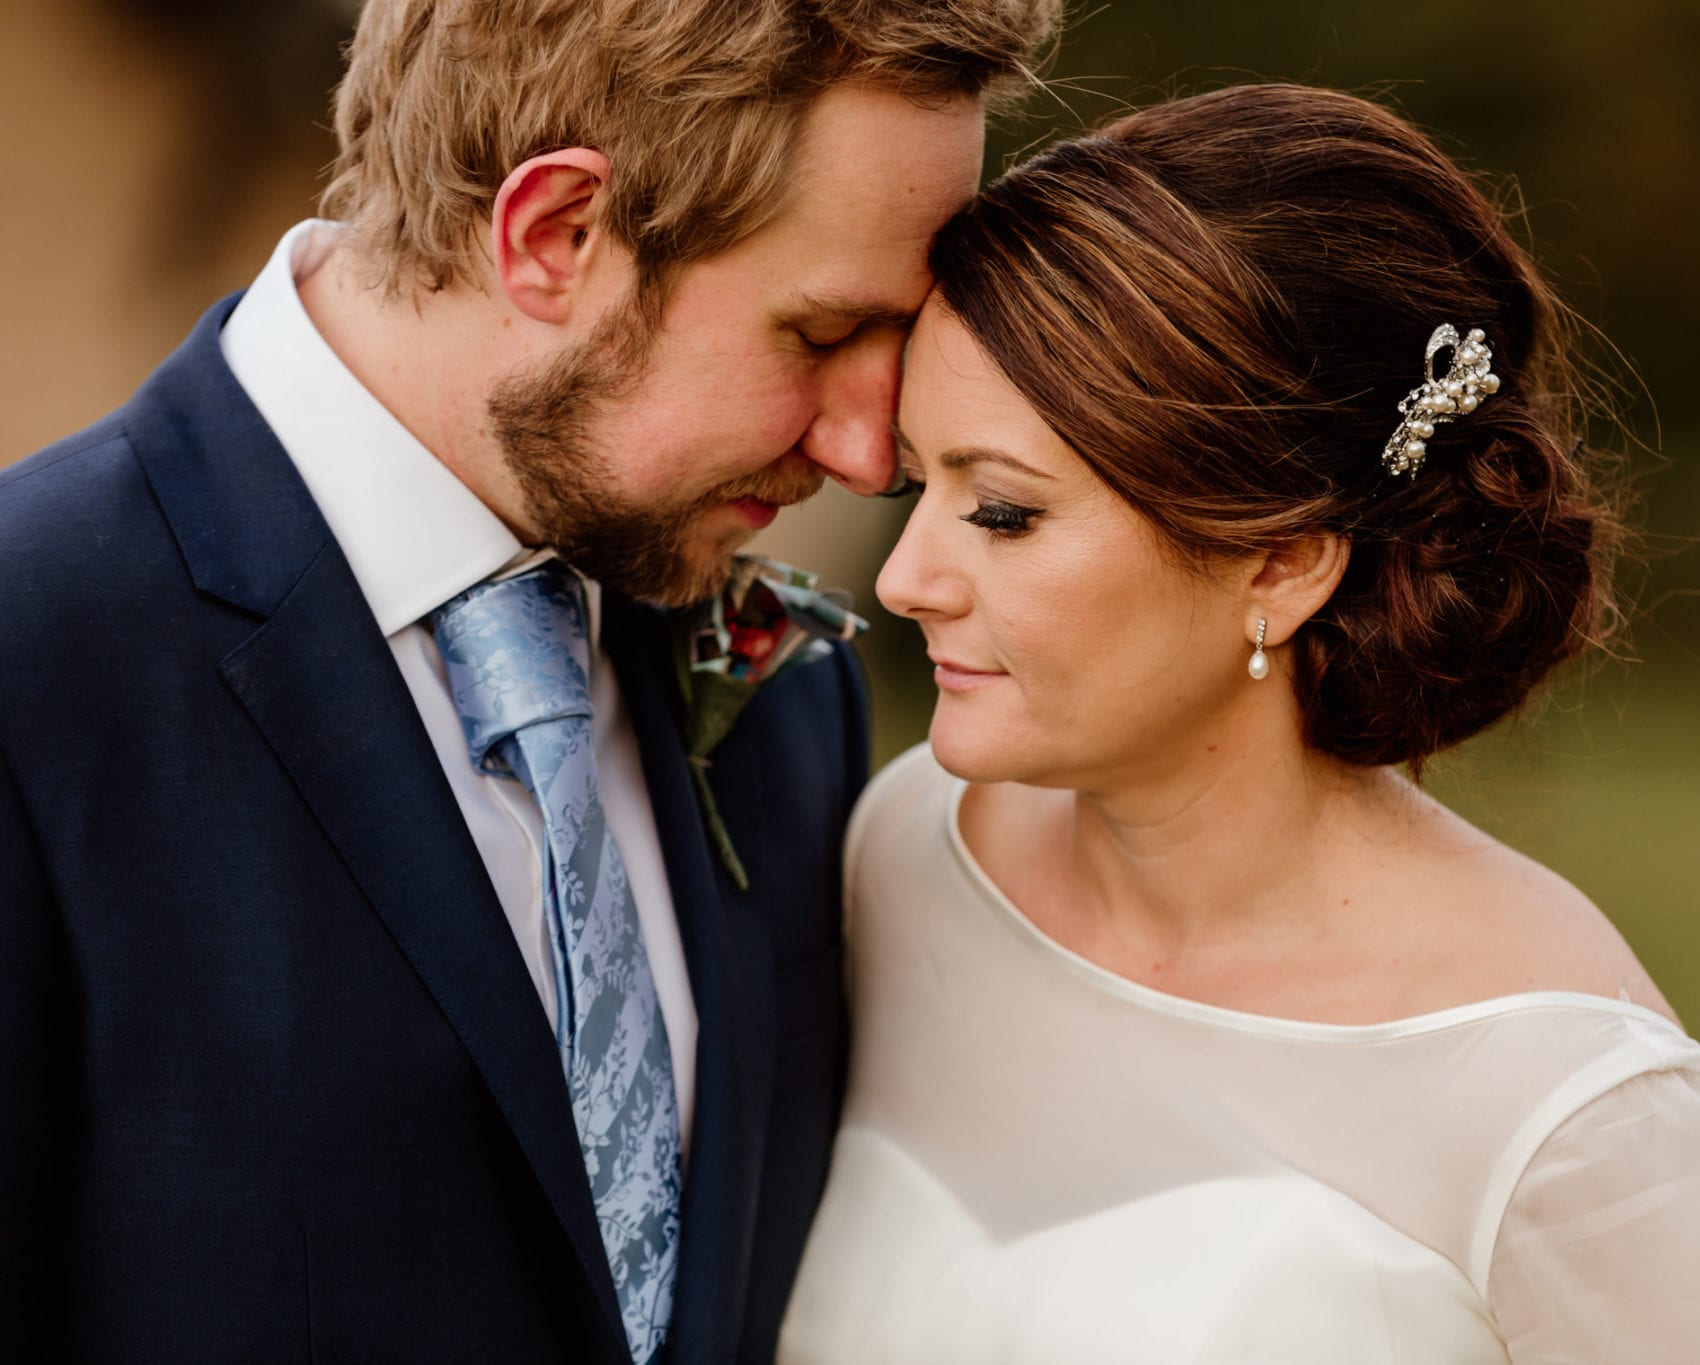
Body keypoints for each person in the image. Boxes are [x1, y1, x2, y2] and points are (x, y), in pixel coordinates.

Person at [0, 1, 1057, 1360]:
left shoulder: (790, 699)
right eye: (817, 334)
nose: (866, 450)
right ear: (554, 233)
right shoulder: (35, 662)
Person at [778, 85, 1700, 1363]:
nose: (905, 578)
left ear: (1280, 565)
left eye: (1004, 513)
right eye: (920, 484)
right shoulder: (905, 854)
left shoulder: (1565, 1110)